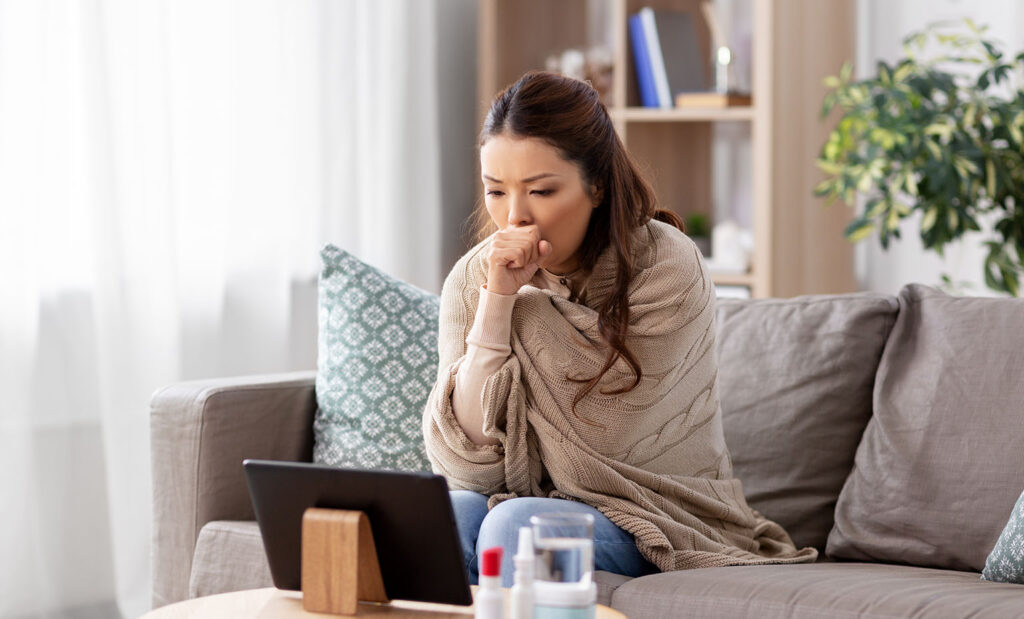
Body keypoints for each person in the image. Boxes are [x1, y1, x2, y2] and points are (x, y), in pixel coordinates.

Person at [422, 70, 817, 586]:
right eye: (496, 191)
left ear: (597, 186)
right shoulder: (478, 278)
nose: (515, 218)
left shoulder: (668, 266)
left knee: (520, 527)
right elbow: (465, 463)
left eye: (541, 191)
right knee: (448, 518)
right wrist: (497, 303)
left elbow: (605, 436)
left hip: (658, 512)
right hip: (521, 501)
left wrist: (528, 313)